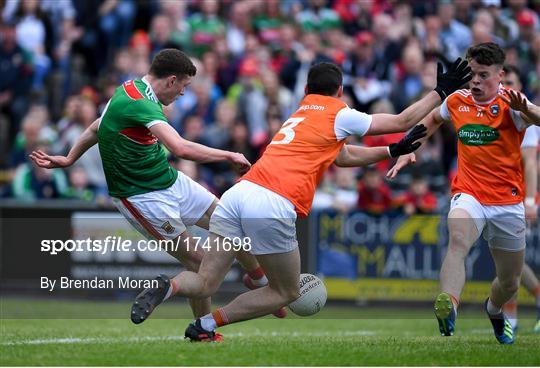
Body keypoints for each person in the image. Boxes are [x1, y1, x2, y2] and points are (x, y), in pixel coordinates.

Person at [131, 58, 471, 342]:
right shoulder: (339, 111)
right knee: (286, 292)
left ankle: (169, 286)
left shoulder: (300, 111)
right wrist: (440, 92)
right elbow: (401, 121)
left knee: (205, 281)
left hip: (238, 194)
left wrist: (391, 150)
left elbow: (341, 156)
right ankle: (206, 324)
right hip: (272, 202)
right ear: (340, 91)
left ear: (307, 90)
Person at [29, 49, 280, 330]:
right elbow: (180, 148)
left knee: (230, 220)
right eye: (183, 87)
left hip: (169, 179)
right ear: (171, 81)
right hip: (140, 196)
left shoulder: (130, 90)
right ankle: (202, 329)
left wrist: (69, 157)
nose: (183, 94)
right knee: (198, 262)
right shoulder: (142, 104)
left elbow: (97, 128)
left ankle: (259, 282)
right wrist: (229, 155)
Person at [387, 43, 540, 344]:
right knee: (457, 240)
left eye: (484, 75)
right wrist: (408, 147)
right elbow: (432, 120)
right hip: (468, 193)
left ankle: (493, 308)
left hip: (507, 201)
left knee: (510, 281)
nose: (476, 82)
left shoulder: (513, 105)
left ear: (500, 75)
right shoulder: (458, 100)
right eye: (473, 74)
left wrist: (529, 109)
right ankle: (449, 306)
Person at [500, 64, 540, 333]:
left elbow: (530, 163)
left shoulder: (523, 115)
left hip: (518, 196)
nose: (506, 88)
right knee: (510, 258)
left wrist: (529, 202)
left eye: (511, 82)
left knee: (509, 258)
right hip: (498, 194)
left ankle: (510, 318)